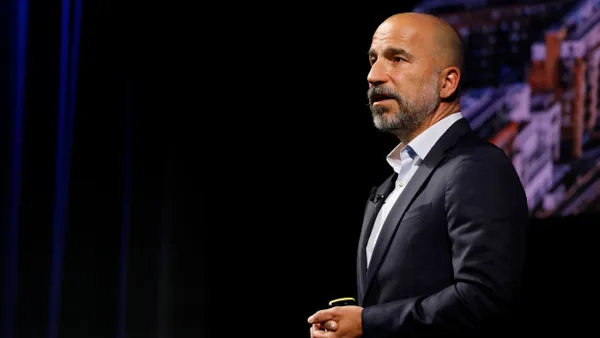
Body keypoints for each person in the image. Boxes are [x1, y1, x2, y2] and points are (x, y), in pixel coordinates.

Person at [307, 12, 529, 338]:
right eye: (373, 59)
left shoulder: (477, 167)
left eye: (397, 59)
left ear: (447, 82)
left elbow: (484, 299)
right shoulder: (390, 183)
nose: (373, 75)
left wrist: (368, 323)